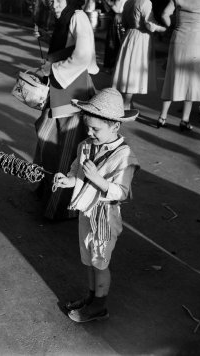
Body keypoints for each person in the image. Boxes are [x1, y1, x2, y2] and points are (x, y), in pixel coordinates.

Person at [53, 88, 140, 322]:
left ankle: (100, 306)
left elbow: (121, 193)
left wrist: (97, 179)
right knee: (88, 259)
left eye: (96, 129)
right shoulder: (86, 144)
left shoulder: (125, 156)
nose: (90, 132)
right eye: (88, 127)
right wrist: (69, 180)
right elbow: (76, 170)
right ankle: (91, 297)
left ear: (115, 126)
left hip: (104, 216)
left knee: (100, 262)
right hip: (86, 212)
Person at [33, 0, 99, 221]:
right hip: (60, 87)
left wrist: (52, 68)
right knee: (46, 138)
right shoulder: (66, 18)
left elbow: (82, 55)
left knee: (66, 150)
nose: (53, 3)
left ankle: (60, 207)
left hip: (74, 90)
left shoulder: (78, 16)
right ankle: (46, 190)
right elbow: (65, 49)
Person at [157, 0, 200, 132]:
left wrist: (172, 25)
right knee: (192, 80)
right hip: (197, 40)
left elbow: (164, 14)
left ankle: (162, 116)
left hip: (179, 37)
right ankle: (185, 120)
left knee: (171, 77)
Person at [112, 0, 166, 110]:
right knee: (133, 73)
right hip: (141, 37)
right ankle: (126, 105)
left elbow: (124, 22)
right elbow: (149, 25)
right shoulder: (145, 2)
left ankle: (128, 103)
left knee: (128, 70)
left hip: (129, 35)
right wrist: (164, 29)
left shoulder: (129, 2)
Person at [102, 0, 126, 72]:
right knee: (114, 43)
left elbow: (116, 9)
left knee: (114, 43)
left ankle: (112, 66)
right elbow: (108, 9)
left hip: (118, 20)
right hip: (118, 19)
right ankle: (113, 66)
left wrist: (108, 1)